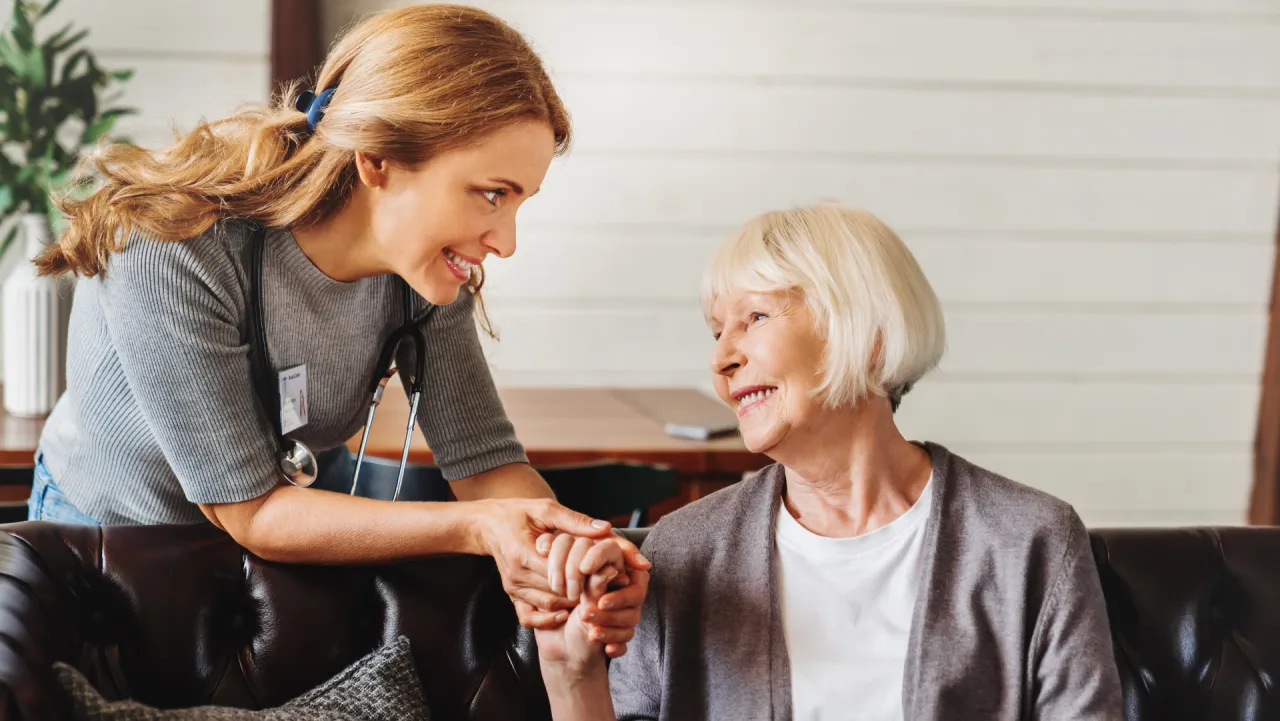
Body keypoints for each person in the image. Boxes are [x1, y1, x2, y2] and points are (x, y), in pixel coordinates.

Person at [26, 4, 649, 652]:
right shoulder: (172, 247)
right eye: (492, 194)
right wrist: (478, 527)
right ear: (377, 160)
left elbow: (488, 465)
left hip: (276, 544)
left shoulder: (421, 275)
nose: (507, 242)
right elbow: (251, 510)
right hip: (107, 545)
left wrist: (572, 553)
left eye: (520, 201)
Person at [533, 203, 1124, 719]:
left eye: (755, 318)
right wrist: (571, 673)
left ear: (867, 332)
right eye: (716, 332)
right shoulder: (684, 550)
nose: (721, 359)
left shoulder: (1029, 541)